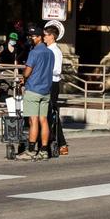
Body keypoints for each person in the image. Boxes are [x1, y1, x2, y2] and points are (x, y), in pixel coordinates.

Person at [17, 24, 55, 161]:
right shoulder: (50, 53)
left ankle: (31, 150)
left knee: (33, 121)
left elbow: (27, 71)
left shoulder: (34, 52)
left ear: (40, 37)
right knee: (43, 120)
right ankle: (44, 150)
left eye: (34, 36)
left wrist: (23, 77)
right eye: (31, 36)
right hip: (46, 90)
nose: (31, 38)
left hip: (33, 89)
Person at [43, 25, 68, 156]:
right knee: (46, 114)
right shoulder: (47, 49)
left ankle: (61, 143)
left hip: (53, 83)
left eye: (46, 35)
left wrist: (42, 70)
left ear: (52, 36)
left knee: (52, 114)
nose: (44, 37)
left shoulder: (55, 51)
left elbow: (57, 70)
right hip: (46, 83)